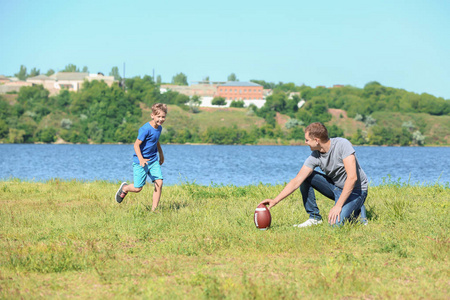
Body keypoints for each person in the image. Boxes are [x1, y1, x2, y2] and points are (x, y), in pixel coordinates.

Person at [260, 122, 368, 227]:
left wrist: (338, 206)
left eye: (307, 140)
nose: (305, 142)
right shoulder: (315, 156)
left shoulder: (342, 145)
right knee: (305, 177)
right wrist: (275, 200)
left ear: (316, 141)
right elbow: (297, 180)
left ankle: (357, 208)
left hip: (356, 190)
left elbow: (352, 178)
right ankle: (314, 218)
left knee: (335, 224)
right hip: (336, 187)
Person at [115, 103, 167, 212]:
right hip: (140, 161)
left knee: (159, 182)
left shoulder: (159, 128)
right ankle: (125, 188)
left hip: (153, 160)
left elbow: (156, 141)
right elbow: (136, 145)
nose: (161, 119)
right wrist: (141, 159)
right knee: (138, 188)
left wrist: (161, 154)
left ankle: (154, 210)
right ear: (152, 115)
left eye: (163, 117)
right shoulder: (145, 129)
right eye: (159, 116)